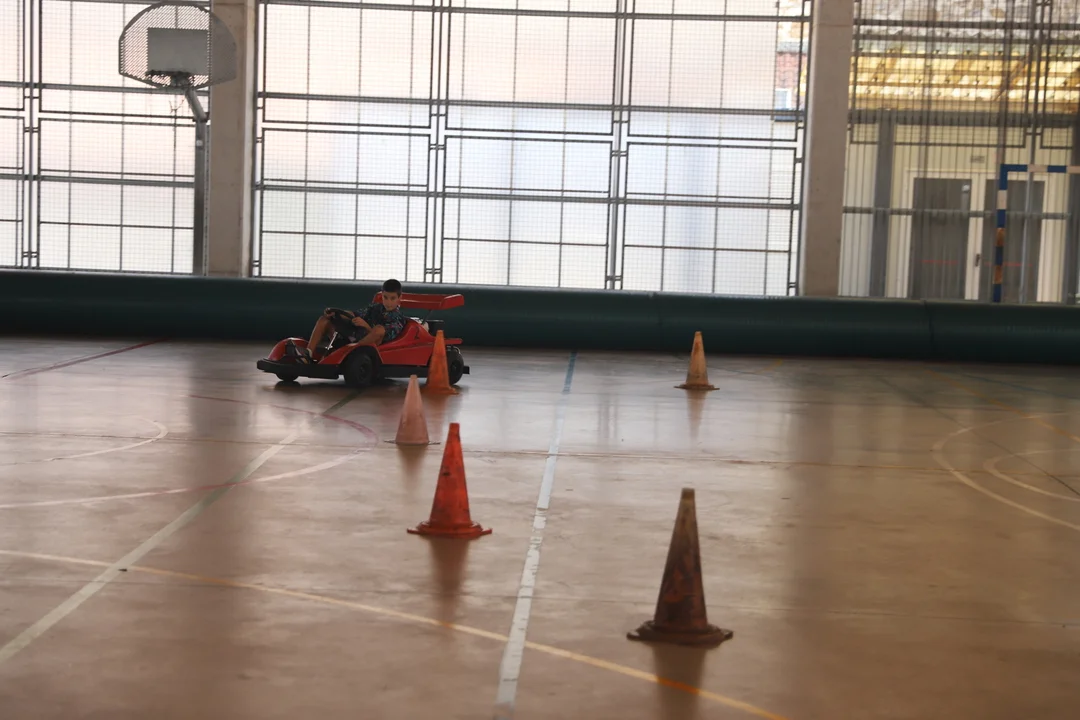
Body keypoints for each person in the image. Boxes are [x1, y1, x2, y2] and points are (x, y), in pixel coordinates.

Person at [297, 278, 407, 362]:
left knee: (379, 329)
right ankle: (308, 354)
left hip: (368, 349)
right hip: (351, 338)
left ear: (399, 298)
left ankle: (349, 353)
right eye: (385, 297)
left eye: (392, 298)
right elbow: (355, 314)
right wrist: (337, 313)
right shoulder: (375, 308)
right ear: (382, 295)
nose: (388, 302)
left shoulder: (398, 319)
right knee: (324, 320)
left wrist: (365, 326)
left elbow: (382, 338)